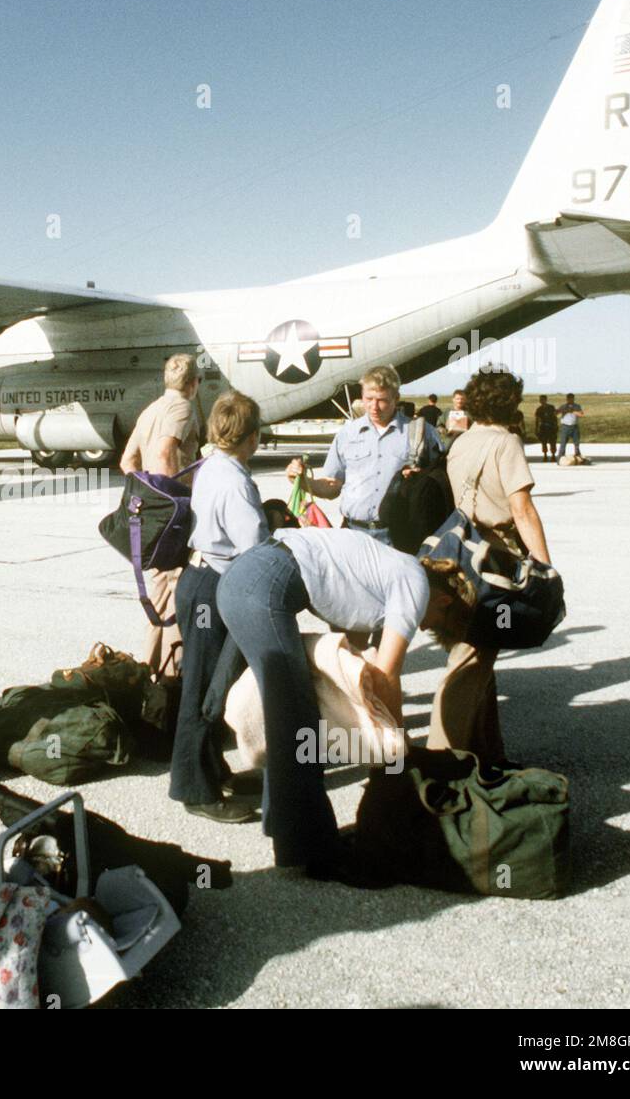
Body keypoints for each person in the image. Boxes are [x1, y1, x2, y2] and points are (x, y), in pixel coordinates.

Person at [216, 527, 474, 883]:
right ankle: (316, 852)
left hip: (250, 578)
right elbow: (386, 677)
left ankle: (283, 824)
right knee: (299, 724)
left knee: (289, 713)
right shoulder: (414, 584)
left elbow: (352, 664)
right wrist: (398, 748)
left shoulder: (386, 575)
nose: (424, 628)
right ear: (444, 602)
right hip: (261, 585)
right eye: (435, 626)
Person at [430, 367, 552, 764]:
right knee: (470, 659)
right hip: (495, 560)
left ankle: (488, 755)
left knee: (483, 655)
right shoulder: (506, 442)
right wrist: (545, 568)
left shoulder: (461, 442)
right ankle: (440, 758)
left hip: (460, 558)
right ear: (509, 403)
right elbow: (523, 509)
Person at [169, 391, 266, 824]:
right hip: (214, 585)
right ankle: (195, 788)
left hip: (200, 578)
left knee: (208, 683)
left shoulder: (213, 465)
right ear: (252, 436)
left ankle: (212, 768)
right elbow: (255, 548)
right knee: (205, 690)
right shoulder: (235, 480)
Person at [285, 364, 442, 547]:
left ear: (396, 398)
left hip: (401, 537)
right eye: (368, 399)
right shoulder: (347, 434)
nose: (374, 407)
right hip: (353, 535)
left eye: (382, 400)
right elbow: (332, 486)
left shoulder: (422, 433)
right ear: (362, 395)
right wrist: (303, 481)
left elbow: (441, 486)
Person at [119, 353, 204, 678]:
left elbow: (128, 462)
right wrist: (173, 500)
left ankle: (150, 671)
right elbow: (166, 451)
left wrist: (147, 496)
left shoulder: (150, 410)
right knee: (180, 596)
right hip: (174, 517)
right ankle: (171, 677)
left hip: (154, 519)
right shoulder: (182, 407)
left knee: (160, 596)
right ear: (194, 383)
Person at [558, 393, 584, 460]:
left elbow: (581, 414)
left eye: (571, 398)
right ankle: (560, 458)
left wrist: (573, 411)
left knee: (576, 443)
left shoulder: (577, 406)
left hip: (574, 426)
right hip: (565, 426)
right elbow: (556, 413)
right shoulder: (563, 406)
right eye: (568, 398)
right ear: (566, 399)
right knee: (563, 443)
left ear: (573, 398)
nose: (570, 399)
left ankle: (578, 457)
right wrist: (563, 411)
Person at [534, 394, 558, 462]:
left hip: (551, 427)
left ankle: (553, 455)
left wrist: (556, 427)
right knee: (544, 442)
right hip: (543, 428)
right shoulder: (539, 409)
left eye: (543, 399)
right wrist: (536, 429)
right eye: (540, 400)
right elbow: (537, 420)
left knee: (552, 442)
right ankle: (545, 455)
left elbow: (555, 417)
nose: (541, 401)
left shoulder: (551, 407)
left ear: (546, 400)